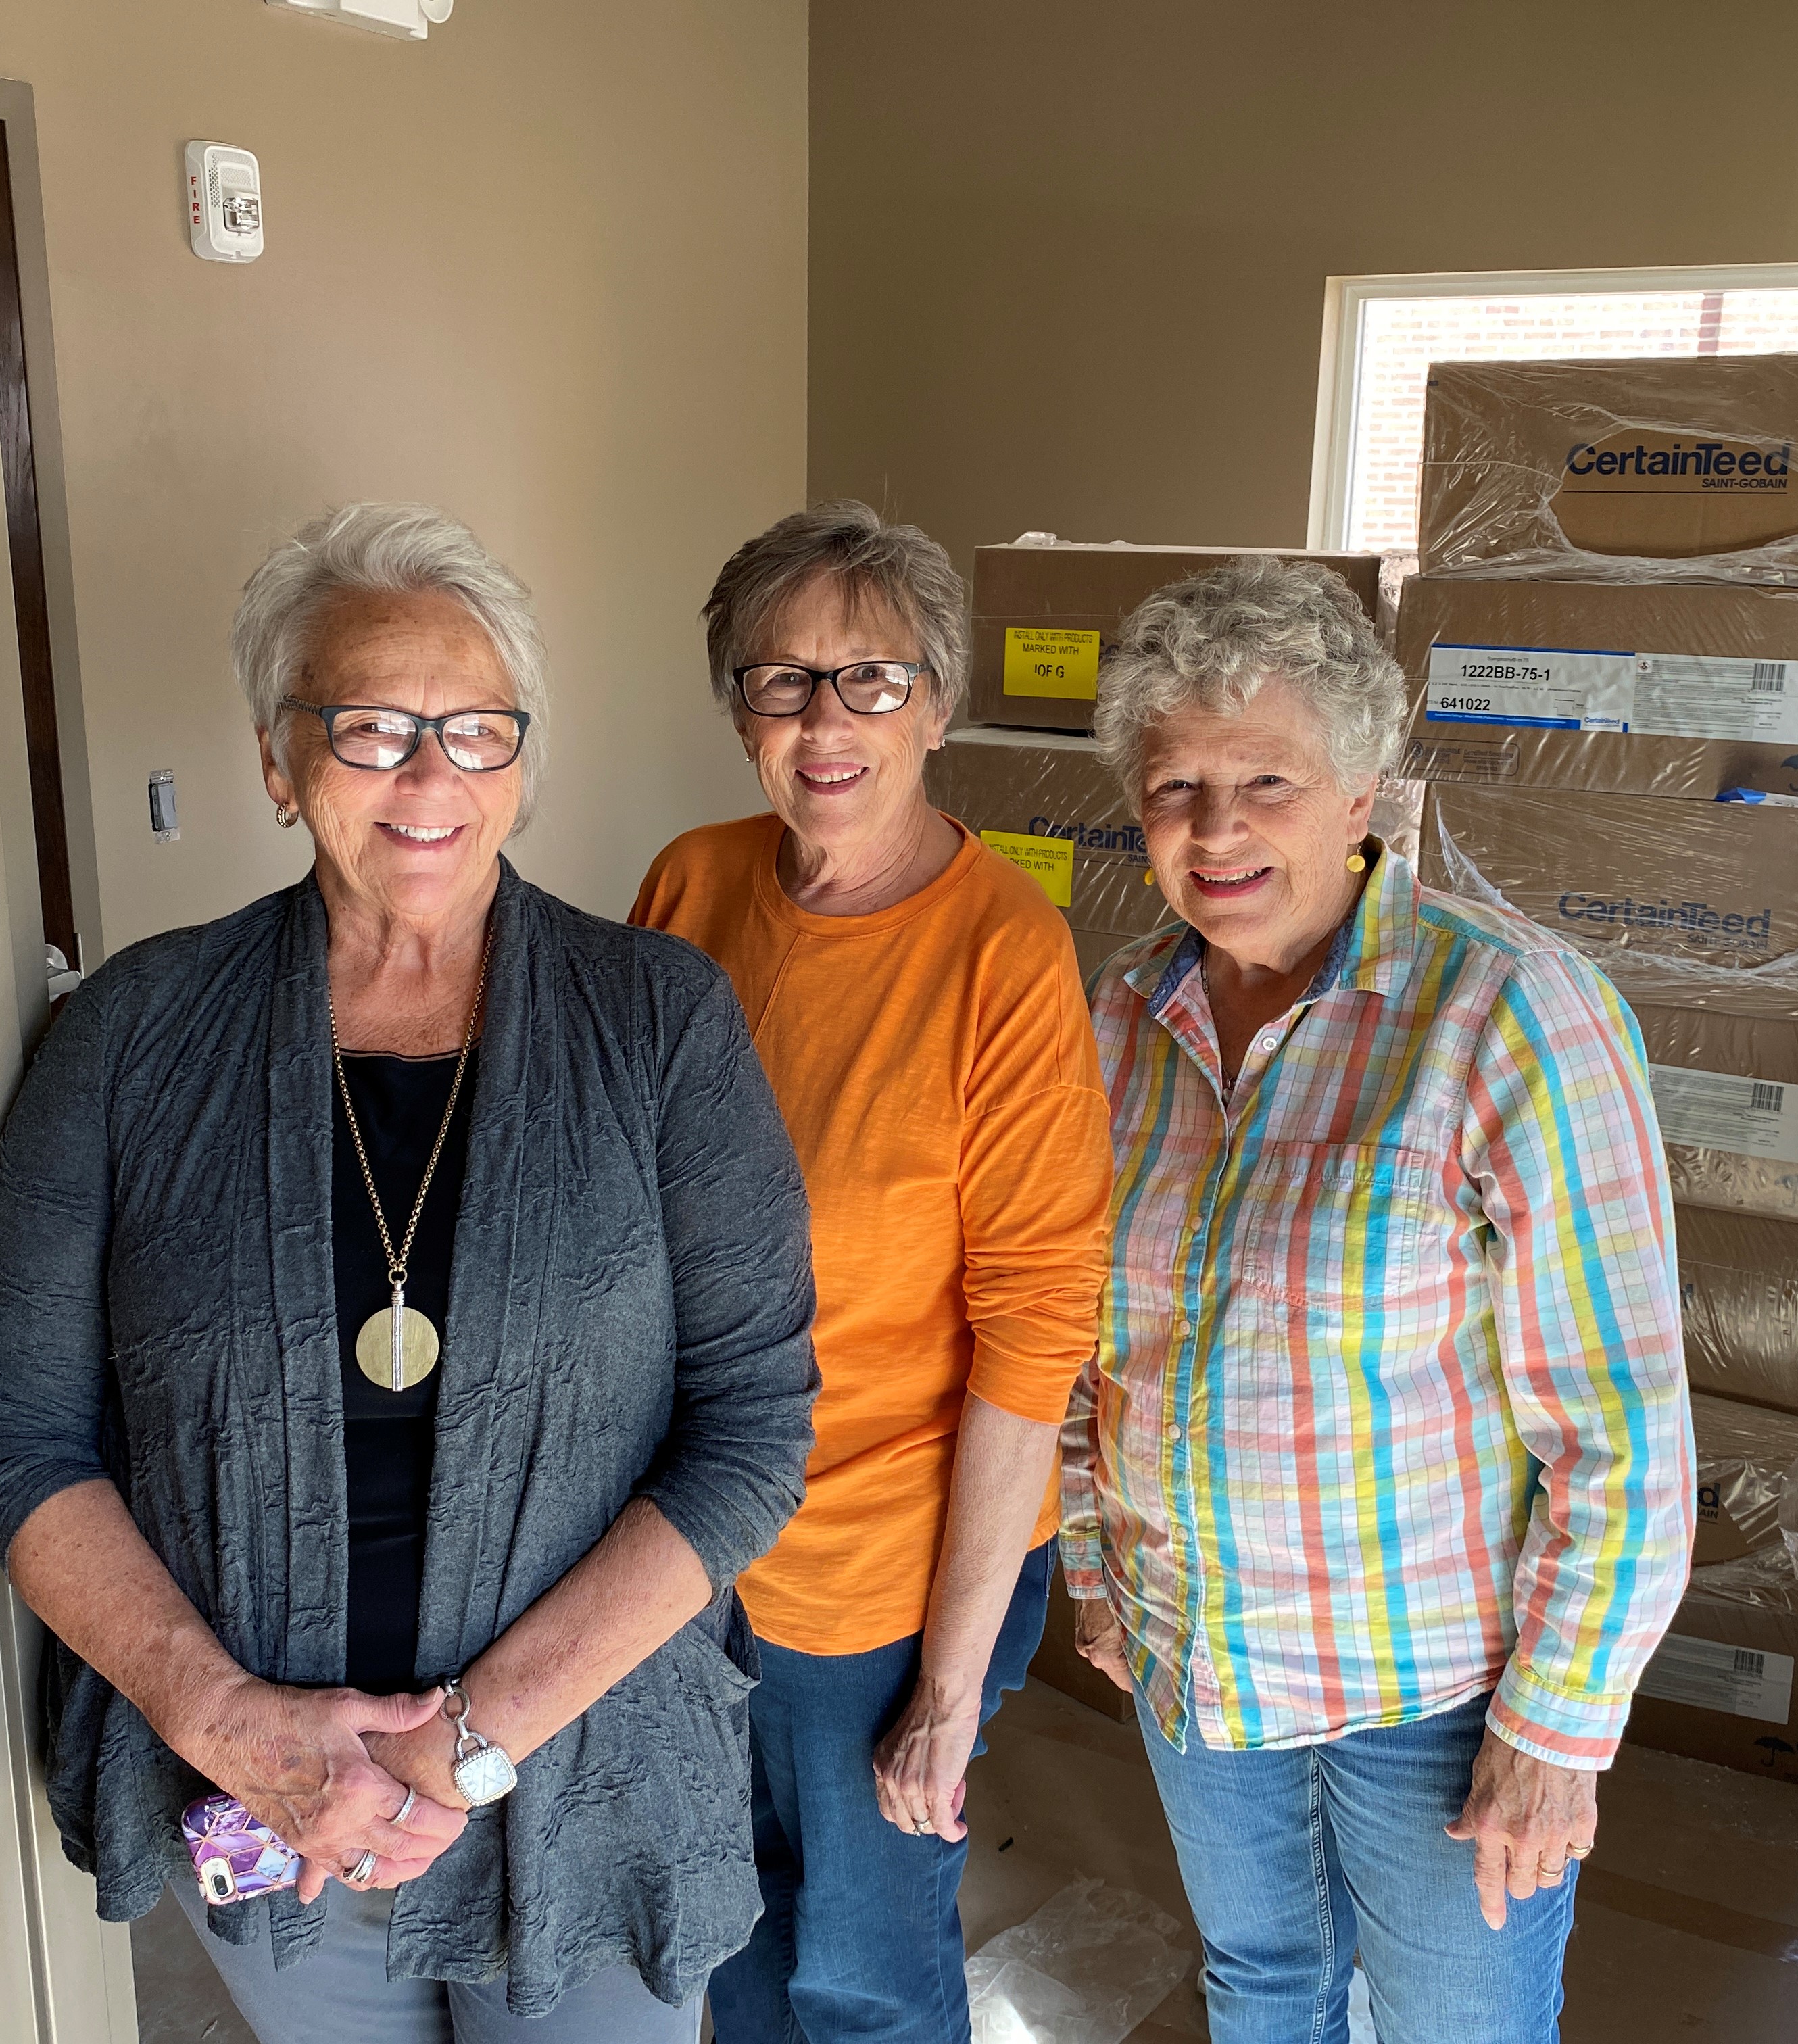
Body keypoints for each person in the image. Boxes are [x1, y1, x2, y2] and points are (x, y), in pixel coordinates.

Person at [0, 502, 821, 2041]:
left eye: (479, 730)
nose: (432, 775)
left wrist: (471, 1743)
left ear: (525, 765)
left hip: (590, 1777)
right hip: (266, 1805)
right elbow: (19, 1434)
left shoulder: (662, 1022)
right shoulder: (132, 1037)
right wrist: (240, 1733)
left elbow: (751, 1431)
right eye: (372, 727)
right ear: (278, 763)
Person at [1059, 557, 1693, 2044]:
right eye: (1173, 789)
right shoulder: (1121, 1017)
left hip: (1433, 1691)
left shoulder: (1509, 1010)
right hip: (1194, 1660)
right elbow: (1090, 1350)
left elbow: (1622, 1430)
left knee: (1452, 2027)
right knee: (1262, 1989)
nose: (1215, 831)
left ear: (1363, 794)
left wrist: (1556, 1734)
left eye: (1266, 779)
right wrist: (1096, 1574)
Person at [631, 502, 1112, 2044]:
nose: (824, 720)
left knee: (865, 1977)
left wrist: (951, 1690)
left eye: (871, 679)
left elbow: (1034, 1341)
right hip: (682, 1549)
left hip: (877, 1579)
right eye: (780, 682)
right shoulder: (690, 889)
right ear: (737, 712)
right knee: (721, 1934)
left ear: (941, 703)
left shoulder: (1003, 954)